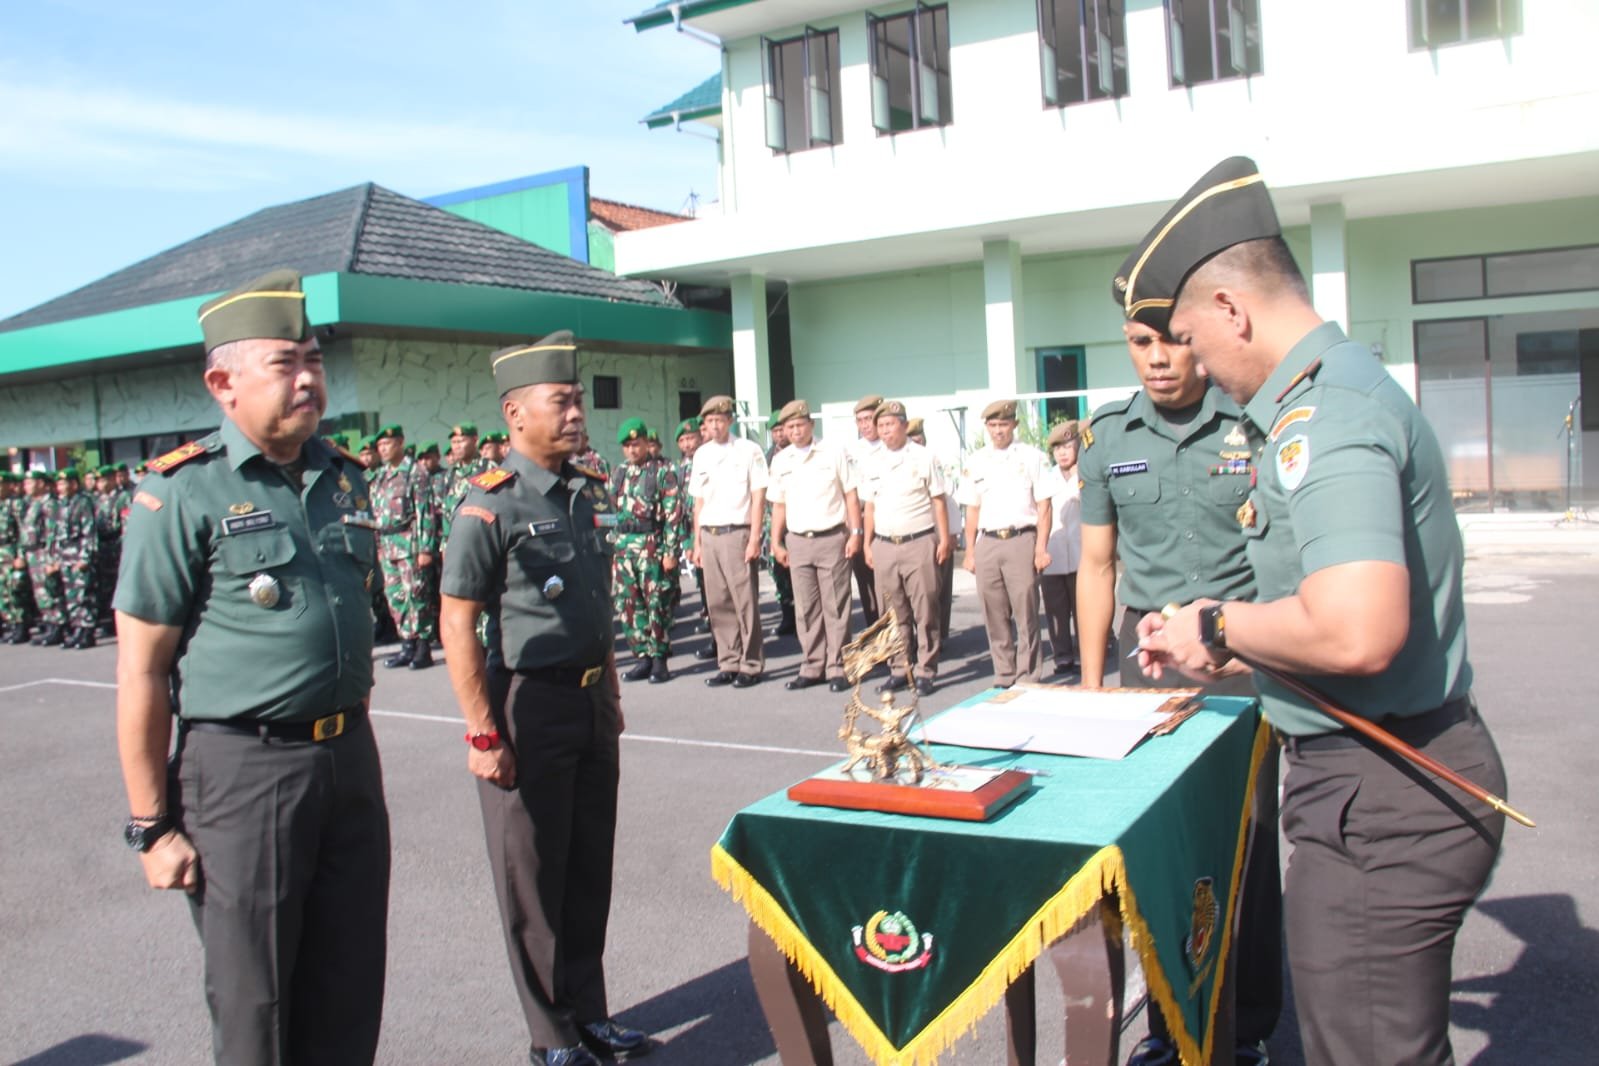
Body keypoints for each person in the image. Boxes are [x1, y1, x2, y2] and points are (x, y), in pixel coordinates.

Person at [1130, 157, 1507, 1066]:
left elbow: (1354, 629)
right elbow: (1326, 622)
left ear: (1231, 309)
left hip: (1383, 787)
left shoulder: (1322, 415)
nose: (1198, 366)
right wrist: (1219, 652)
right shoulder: (1328, 396)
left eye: (1190, 337)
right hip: (1383, 776)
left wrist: (1217, 623)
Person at [113, 268, 390, 1065]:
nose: (308, 379)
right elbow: (141, 671)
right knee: (257, 1001)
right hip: (243, 769)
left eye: (314, 360)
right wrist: (152, 824)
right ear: (222, 382)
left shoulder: (343, 478)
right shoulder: (181, 493)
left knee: (348, 984)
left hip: (347, 759)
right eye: (285, 363)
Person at [1077, 291, 1278, 1066]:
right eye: (1138, 341)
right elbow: (1097, 565)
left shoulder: (1250, 425)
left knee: (1248, 849)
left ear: (1197, 342)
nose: (1157, 358)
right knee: (1156, 850)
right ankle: (1171, 1027)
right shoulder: (1106, 437)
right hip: (1148, 666)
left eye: (1170, 341)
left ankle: (1249, 1028)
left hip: (1241, 659)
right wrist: (1093, 684)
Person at [440, 330, 649, 1066]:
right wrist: (481, 733)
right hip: (528, 705)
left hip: (591, 703)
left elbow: (595, 608)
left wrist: (613, 691)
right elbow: (457, 623)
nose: (575, 412)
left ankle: (589, 1013)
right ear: (514, 413)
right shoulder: (487, 505)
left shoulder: (585, 493)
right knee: (533, 876)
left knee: (589, 864)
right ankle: (549, 1032)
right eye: (559, 401)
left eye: (576, 399)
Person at [768, 399, 862, 692]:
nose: (795, 431)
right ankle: (812, 665)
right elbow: (778, 505)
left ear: (811, 424)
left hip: (831, 537)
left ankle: (838, 667)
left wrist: (856, 532)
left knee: (835, 606)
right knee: (806, 608)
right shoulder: (781, 460)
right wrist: (775, 541)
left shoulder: (833, 452)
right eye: (789, 427)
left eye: (799, 425)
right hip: (798, 540)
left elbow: (850, 495)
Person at [860, 400, 951, 696]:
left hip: (918, 541)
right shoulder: (872, 460)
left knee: (925, 608)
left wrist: (945, 538)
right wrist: (867, 543)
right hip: (885, 543)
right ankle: (899, 668)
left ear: (903, 424)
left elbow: (938, 500)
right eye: (881, 426)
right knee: (892, 612)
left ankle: (926, 668)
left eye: (890, 425)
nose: (885, 431)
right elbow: (869, 506)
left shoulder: (923, 457)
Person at [959, 400, 1052, 687]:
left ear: (1014, 425)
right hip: (988, 540)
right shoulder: (976, 461)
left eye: (1003, 424)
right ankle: (1004, 672)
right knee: (993, 610)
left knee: (1025, 610)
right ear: (986, 427)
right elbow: (971, 509)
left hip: (1020, 539)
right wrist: (970, 551)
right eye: (993, 425)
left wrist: (1040, 548)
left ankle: (1028, 674)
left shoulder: (1031, 457)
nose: (998, 431)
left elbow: (1044, 504)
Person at [688, 395, 769, 687]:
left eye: (719, 421)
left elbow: (759, 497)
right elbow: (698, 502)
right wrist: (697, 543)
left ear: (730, 421)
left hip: (738, 532)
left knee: (744, 601)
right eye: (709, 422)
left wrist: (755, 538)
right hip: (709, 534)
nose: (714, 426)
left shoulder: (749, 450)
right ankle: (728, 661)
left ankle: (751, 663)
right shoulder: (702, 454)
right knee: (718, 602)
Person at [610, 417, 682, 684]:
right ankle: (642, 657)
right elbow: (609, 514)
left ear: (646, 444)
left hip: (652, 546)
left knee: (657, 604)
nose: (632, 450)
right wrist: (609, 550)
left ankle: (660, 659)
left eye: (636, 444)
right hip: (623, 550)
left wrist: (671, 551)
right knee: (629, 605)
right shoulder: (618, 473)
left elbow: (674, 514)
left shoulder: (662, 472)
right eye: (627, 446)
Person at [370, 424, 440, 670]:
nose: (383, 449)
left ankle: (423, 647)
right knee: (396, 597)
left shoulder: (414, 471)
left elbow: (425, 513)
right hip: (387, 545)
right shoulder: (381, 475)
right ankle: (407, 644)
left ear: (400, 443)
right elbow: (376, 514)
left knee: (417, 595)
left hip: (410, 543)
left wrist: (426, 548)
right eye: (380, 446)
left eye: (387, 444)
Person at [1037, 421, 1083, 675]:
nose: (1063, 453)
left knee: (1083, 609)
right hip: (1053, 553)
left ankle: (1087, 652)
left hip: (1081, 553)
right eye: (1057, 449)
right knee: (1056, 610)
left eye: (1067, 447)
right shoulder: (1047, 477)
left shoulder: (1087, 474)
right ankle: (1062, 656)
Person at [906, 417, 957, 638]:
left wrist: (952, 534)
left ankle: (939, 635)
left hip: (937, 534)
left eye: (919, 439)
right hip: (911, 536)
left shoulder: (935, 461)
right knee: (914, 594)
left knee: (939, 590)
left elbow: (949, 500)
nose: (916, 444)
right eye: (911, 440)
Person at [845, 394, 885, 628]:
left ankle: (905, 641)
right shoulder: (852, 451)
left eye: (869, 419)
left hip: (888, 522)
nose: (865, 425)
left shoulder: (895, 446)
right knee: (867, 585)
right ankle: (878, 639)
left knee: (893, 587)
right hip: (861, 521)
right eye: (860, 420)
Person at [51, 467, 100, 649]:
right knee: (71, 596)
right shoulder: (61, 504)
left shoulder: (83, 502)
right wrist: (56, 558)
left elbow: (89, 532)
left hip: (79, 555)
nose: (60, 487)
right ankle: (77, 629)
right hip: (65, 556)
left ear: (73, 484)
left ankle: (87, 631)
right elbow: (56, 535)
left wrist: (85, 558)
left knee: (83, 594)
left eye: (64, 483)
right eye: (59, 483)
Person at [21, 468, 62, 646]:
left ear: (41, 484)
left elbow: (52, 533)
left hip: (44, 552)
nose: (26, 486)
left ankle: (58, 626)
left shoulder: (49, 503)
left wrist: (52, 558)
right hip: (33, 553)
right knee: (40, 593)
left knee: (50, 590)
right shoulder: (32, 503)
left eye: (30, 482)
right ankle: (49, 624)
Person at [763, 416, 796, 637]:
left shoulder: (797, 454)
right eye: (774, 431)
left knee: (800, 572)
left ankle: (803, 616)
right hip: (773, 522)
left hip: (796, 522)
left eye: (781, 429)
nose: (779, 434)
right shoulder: (766, 457)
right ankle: (787, 615)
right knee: (779, 572)